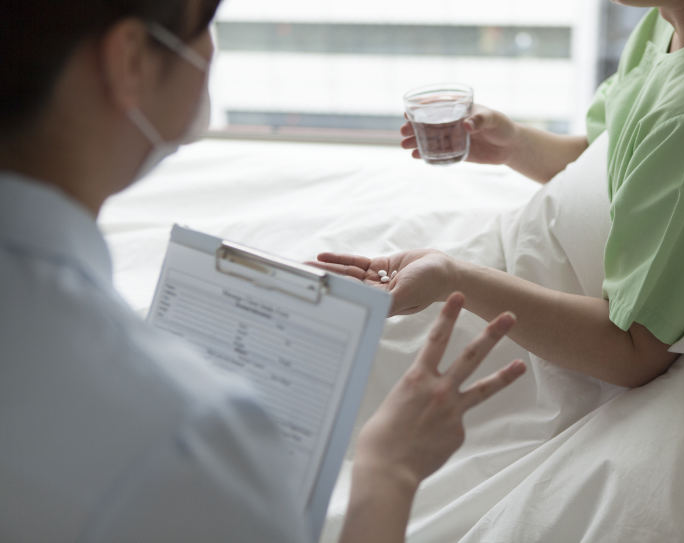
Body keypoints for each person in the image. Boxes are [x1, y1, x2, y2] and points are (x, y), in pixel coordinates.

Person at [0, 2, 527, 542]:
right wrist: (390, 471)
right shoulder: (193, 436)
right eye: (203, 26)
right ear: (130, 60)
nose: (209, 52)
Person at [316, 0, 684, 388]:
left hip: (535, 343)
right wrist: (517, 146)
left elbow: (632, 351)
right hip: (507, 270)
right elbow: (613, 153)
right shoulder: (681, 17)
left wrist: (452, 279)